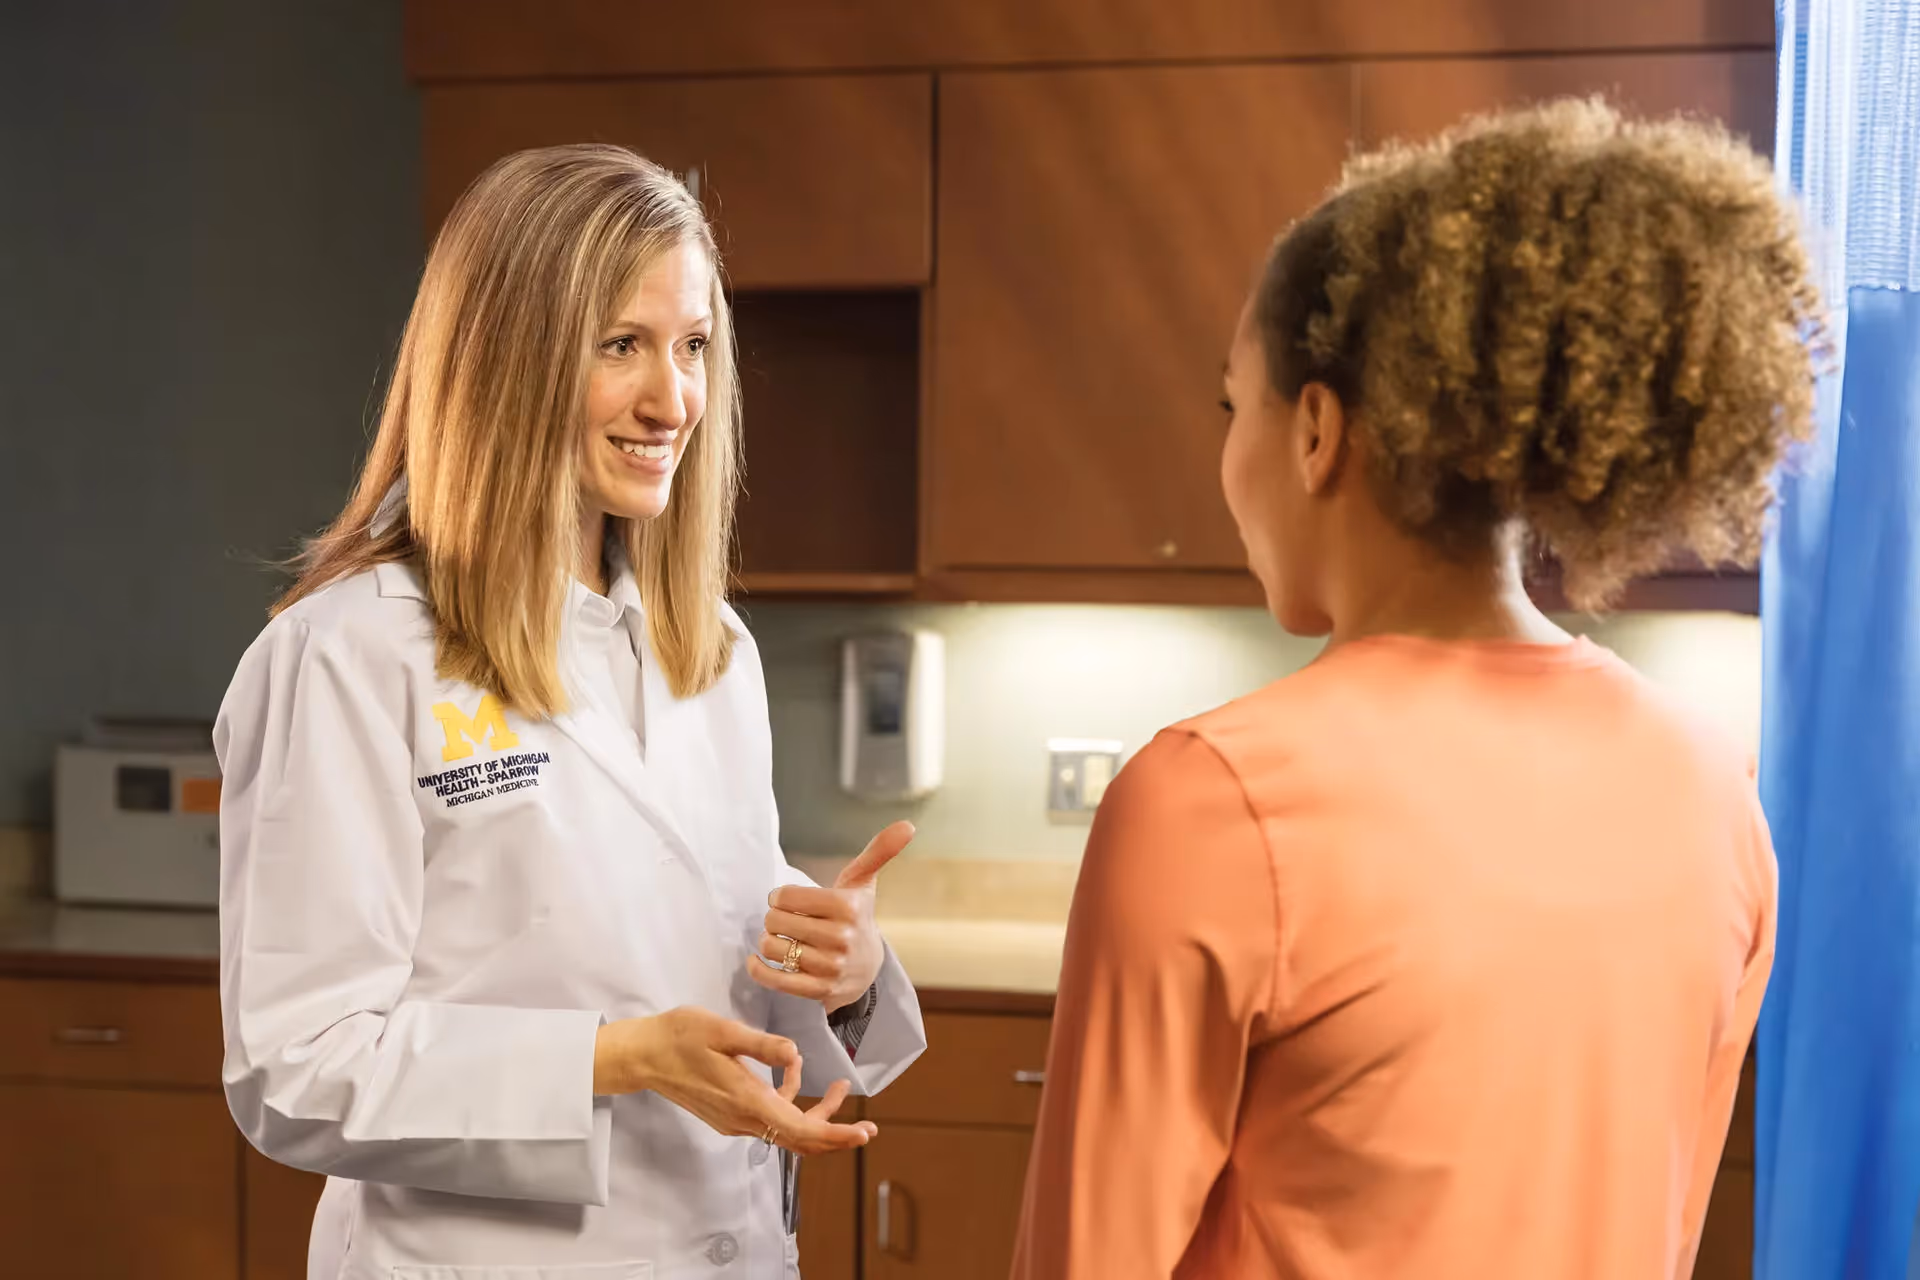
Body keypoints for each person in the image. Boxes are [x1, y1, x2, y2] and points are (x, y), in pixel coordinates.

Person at [1011, 99, 1819, 1279]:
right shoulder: (1710, 792)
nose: (1227, 454)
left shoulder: (1210, 800)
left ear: (1317, 431)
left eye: (1235, 405)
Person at [215, 143, 926, 1280]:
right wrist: (613, 1059)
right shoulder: (349, 654)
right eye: (621, 345)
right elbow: (295, 1069)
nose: (672, 400)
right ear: (508, 359)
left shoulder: (711, 651)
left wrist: (839, 975)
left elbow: (704, 967)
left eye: (694, 345)